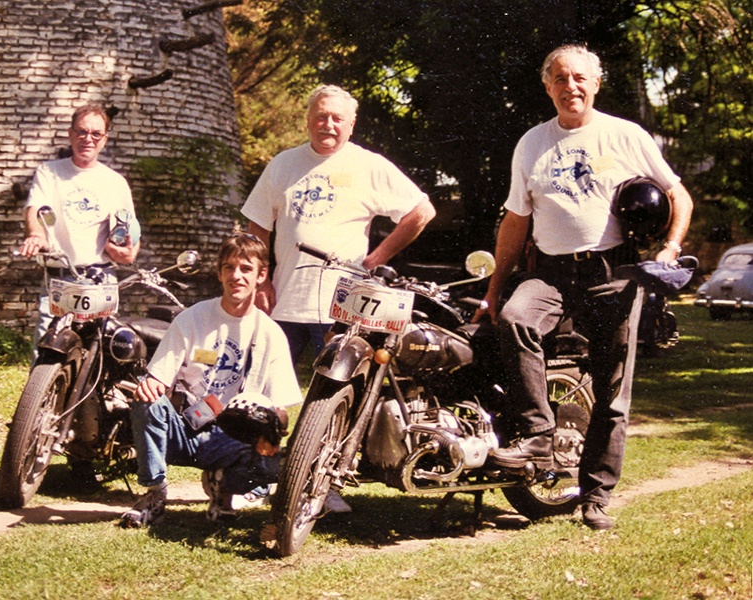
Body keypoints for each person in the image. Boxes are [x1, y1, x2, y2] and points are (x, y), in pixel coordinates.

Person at [473, 45, 693, 530]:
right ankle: (536, 433)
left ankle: (595, 496)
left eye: (579, 78)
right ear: (547, 86)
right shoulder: (532, 142)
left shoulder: (625, 134)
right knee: (515, 319)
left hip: (612, 274)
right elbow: (516, 220)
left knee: (612, 391)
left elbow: (678, 193)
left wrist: (671, 248)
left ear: (595, 83)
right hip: (550, 271)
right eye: (559, 78)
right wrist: (495, 288)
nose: (570, 86)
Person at [241, 84, 436, 365]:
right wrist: (261, 280)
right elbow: (257, 224)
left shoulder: (368, 165)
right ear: (308, 120)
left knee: (334, 390)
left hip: (345, 305)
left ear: (351, 124)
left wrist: (379, 256)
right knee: (262, 384)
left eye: (337, 118)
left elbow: (421, 211)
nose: (328, 125)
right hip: (283, 300)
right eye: (320, 117)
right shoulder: (282, 164)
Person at [120, 233, 303, 528]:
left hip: (234, 437)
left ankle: (224, 490)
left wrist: (273, 430)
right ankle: (154, 492)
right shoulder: (192, 318)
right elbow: (158, 377)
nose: (237, 276)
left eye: (246, 269)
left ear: (261, 275)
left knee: (273, 464)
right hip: (186, 428)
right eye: (229, 268)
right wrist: (152, 384)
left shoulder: (271, 334)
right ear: (219, 273)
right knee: (148, 401)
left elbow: (281, 408)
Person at [19, 103, 140, 355]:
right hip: (59, 278)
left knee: (97, 352)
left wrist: (130, 253)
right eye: (82, 132)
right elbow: (36, 209)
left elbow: (130, 228)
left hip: (100, 279)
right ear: (71, 134)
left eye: (96, 134)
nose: (88, 139)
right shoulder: (49, 173)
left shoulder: (115, 182)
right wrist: (36, 235)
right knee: (46, 351)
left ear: (105, 139)